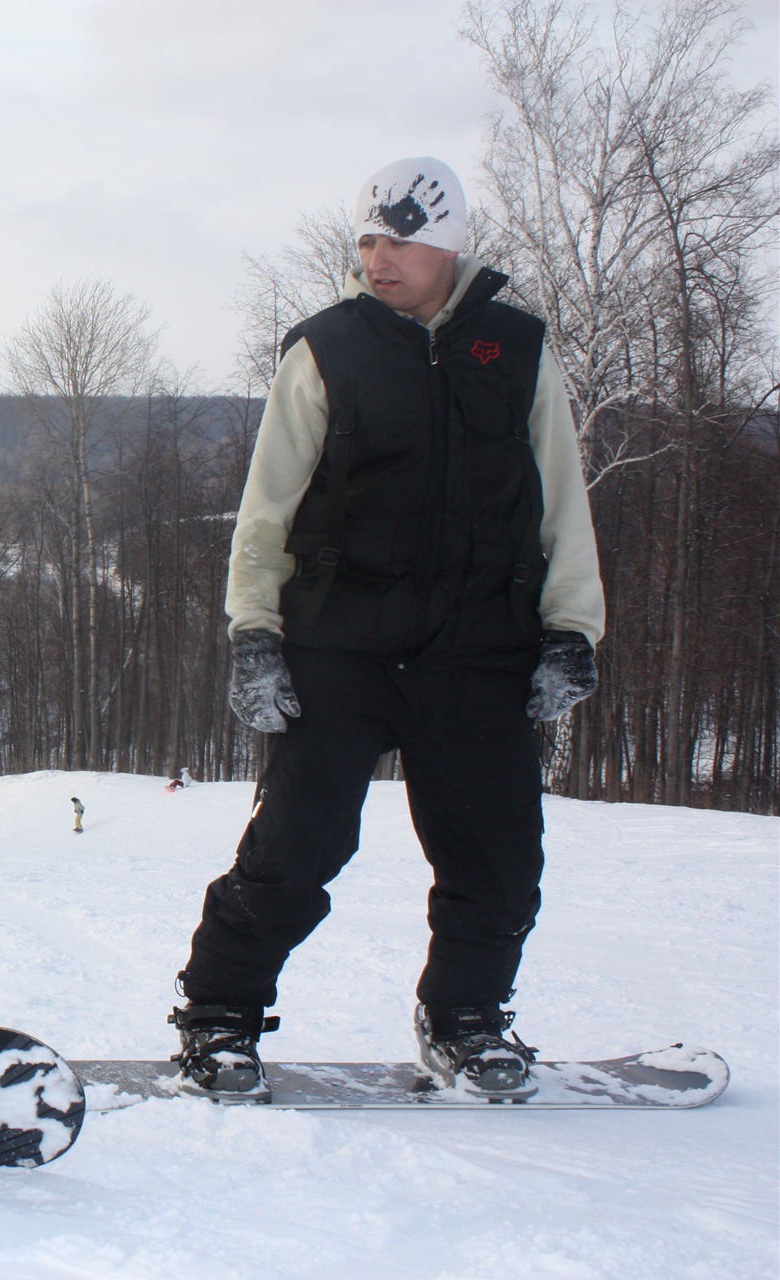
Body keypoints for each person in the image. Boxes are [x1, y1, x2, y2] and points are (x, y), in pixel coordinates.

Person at [168, 157, 604, 1102]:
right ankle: (218, 1014)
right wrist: (255, 633)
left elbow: (563, 504)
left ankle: (466, 1020)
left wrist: (571, 630)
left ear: (446, 243)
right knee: (298, 845)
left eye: (398, 239)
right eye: (367, 239)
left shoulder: (519, 351)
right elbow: (266, 511)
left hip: (480, 647)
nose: (378, 257)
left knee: (496, 854)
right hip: (340, 643)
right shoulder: (326, 350)